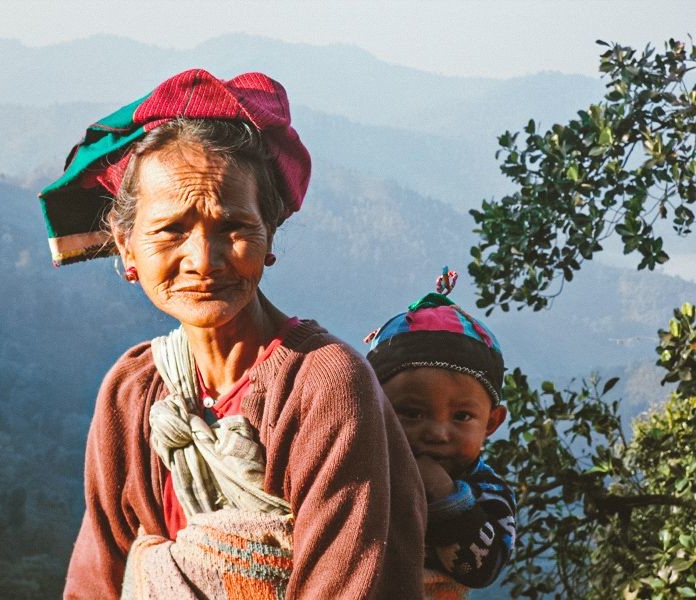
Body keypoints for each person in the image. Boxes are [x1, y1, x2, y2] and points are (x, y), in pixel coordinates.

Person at [38, 69, 426, 599]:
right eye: (171, 230)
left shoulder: (323, 387)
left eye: (234, 228)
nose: (203, 260)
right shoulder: (132, 392)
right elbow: (95, 580)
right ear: (127, 248)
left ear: (269, 236)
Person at [365, 268, 516, 598]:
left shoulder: (488, 492)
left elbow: (483, 569)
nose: (436, 432)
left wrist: (444, 494)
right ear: (374, 409)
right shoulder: (361, 467)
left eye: (462, 416)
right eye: (411, 413)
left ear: (491, 422)